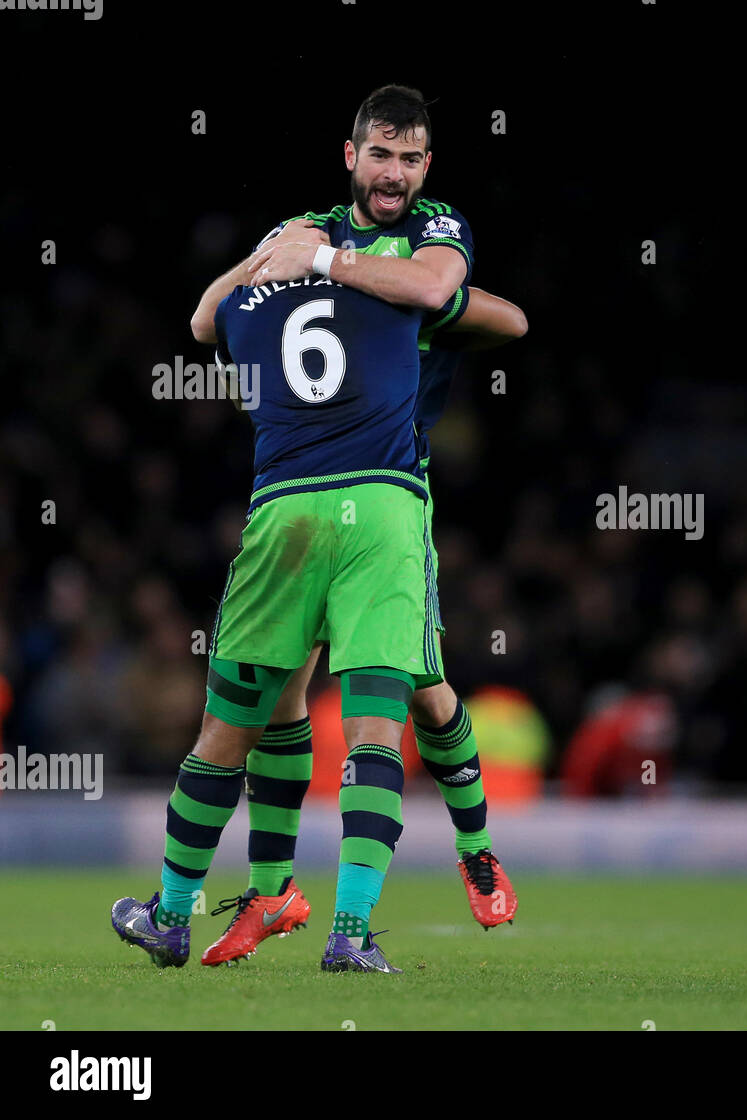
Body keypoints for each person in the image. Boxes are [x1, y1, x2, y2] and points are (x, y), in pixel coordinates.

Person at [190, 86, 527, 968]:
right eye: (382, 154)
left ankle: (473, 847)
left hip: (390, 489)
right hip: (310, 484)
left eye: (412, 158)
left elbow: (469, 301)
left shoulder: (432, 229)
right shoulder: (305, 224)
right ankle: (271, 897)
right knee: (285, 694)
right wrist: (267, 255)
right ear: (352, 157)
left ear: (428, 167)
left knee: (421, 686)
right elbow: (206, 316)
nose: (396, 173)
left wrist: (337, 265)